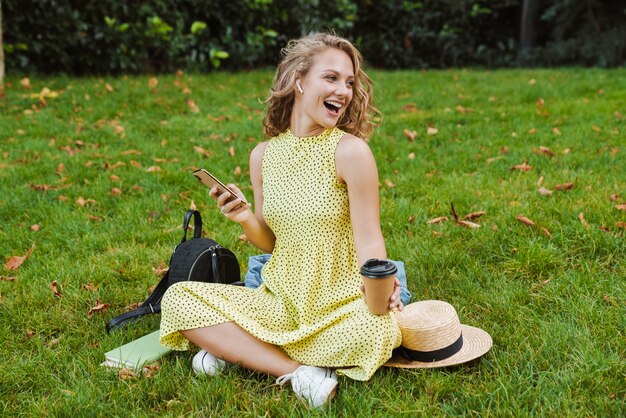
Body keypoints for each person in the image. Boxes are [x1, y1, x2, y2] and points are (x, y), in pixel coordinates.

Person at [159, 33, 404, 408]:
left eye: (350, 82)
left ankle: (238, 350)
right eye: (332, 78)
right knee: (178, 298)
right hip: (279, 300)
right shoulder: (263, 156)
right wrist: (243, 216)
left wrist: (382, 287)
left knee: (379, 329)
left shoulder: (351, 152)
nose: (344, 91)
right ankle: (298, 370)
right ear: (299, 80)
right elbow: (272, 242)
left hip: (337, 304)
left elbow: (370, 238)